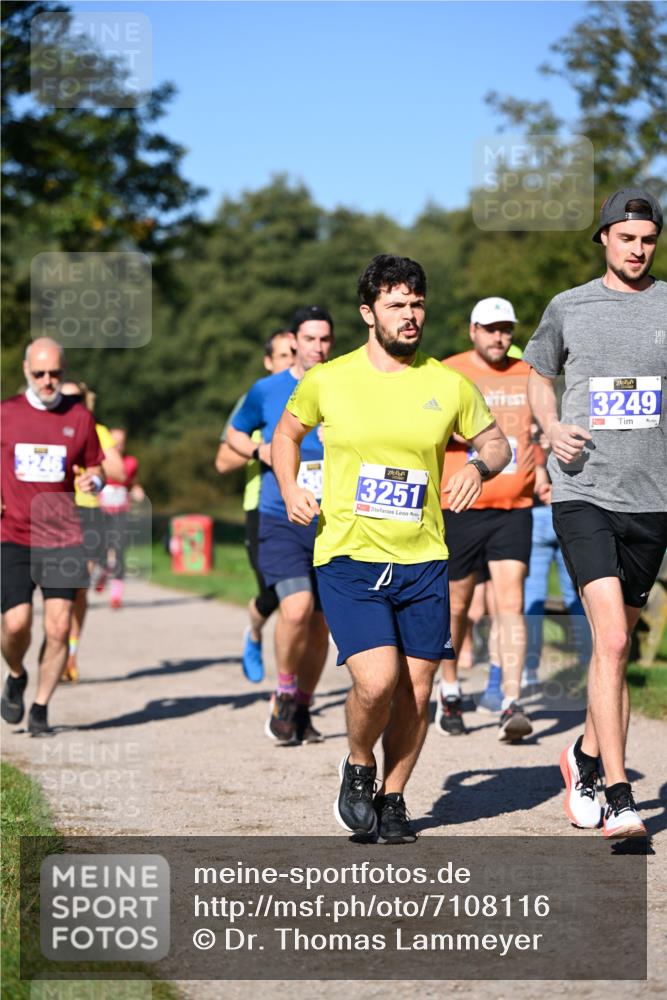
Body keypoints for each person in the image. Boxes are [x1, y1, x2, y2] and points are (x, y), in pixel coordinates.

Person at [272, 255, 510, 843]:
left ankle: (396, 796)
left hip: (425, 557)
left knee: (420, 688)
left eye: (417, 304)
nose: (410, 315)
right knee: (377, 682)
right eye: (397, 304)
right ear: (368, 312)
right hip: (349, 556)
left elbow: (498, 443)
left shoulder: (448, 383)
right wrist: (288, 486)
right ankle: (358, 765)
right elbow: (286, 434)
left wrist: (478, 467)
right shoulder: (329, 379)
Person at [524, 186, 666, 838]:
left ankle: (581, 754)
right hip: (583, 491)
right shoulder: (569, 306)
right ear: (603, 238)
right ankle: (617, 793)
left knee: (616, 648)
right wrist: (549, 428)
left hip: (651, 498)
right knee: (609, 639)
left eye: (647, 240)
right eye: (626, 237)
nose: (637, 250)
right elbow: (535, 371)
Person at [227, 307, 334, 743]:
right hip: (281, 516)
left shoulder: (345, 385)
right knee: (295, 607)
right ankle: (284, 693)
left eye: (325, 339)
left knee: (322, 625)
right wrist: (261, 452)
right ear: (294, 341)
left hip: (332, 522)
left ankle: (304, 706)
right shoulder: (267, 389)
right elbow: (233, 434)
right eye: (310, 339)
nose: (318, 347)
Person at [438, 298, 536, 740]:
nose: (500, 337)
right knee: (457, 606)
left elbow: (543, 426)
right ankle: (451, 689)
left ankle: (510, 701)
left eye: (507, 330)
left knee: (510, 604)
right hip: (461, 505)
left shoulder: (530, 371)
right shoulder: (448, 371)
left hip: (514, 507)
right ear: (472, 330)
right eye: (491, 329)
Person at [1, 339, 104, 734]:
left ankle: (41, 707)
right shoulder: (6, 414)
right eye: (40, 373)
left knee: (59, 627)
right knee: (15, 624)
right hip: (12, 533)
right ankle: (15, 674)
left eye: (55, 374)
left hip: (62, 535)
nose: (48, 381)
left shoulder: (77, 417)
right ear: (26, 370)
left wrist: (94, 478)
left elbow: (96, 465)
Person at [215, 330, 295, 682]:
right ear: (268, 362)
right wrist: (263, 447)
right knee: (273, 593)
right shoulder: (259, 396)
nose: (291, 362)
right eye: (283, 356)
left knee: (303, 597)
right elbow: (222, 461)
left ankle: (292, 682)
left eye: (295, 354)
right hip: (263, 508)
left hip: (311, 504)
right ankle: (254, 632)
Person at [59, 381, 125, 680]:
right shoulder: (43, 425)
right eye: (65, 397)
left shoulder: (96, 431)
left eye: (77, 398)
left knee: (77, 588)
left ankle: (70, 652)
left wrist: (91, 468)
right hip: (51, 511)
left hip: (86, 511)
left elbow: (119, 471)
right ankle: (55, 645)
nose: (71, 402)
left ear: (86, 401)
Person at [522, 428, 591, 688]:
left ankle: (529, 670)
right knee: (578, 594)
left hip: (536, 516)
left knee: (533, 597)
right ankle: (590, 664)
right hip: (568, 513)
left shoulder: (525, 435)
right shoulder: (568, 429)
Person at [99, 427, 145, 610]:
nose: (117, 445)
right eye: (114, 441)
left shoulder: (130, 462)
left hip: (120, 511)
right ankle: (103, 570)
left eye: (121, 442)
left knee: (119, 550)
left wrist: (137, 490)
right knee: (99, 547)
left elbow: (132, 482)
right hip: (100, 511)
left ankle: (116, 596)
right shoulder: (99, 461)